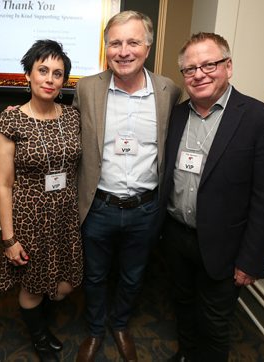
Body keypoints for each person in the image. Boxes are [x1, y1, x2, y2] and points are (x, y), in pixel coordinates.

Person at [160, 32, 264, 362]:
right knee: (183, 307)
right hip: (176, 236)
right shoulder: (175, 116)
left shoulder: (262, 120)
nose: (199, 74)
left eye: (209, 64)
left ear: (228, 67)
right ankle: (186, 354)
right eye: (190, 69)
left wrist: (251, 259)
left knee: (215, 324)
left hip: (225, 247)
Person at [73, 11, 181, 362]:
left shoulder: (169, 91)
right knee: (94, 275)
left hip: (146, 208)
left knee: (134, 276)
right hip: (98, 205)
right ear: (106, 49)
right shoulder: (87, 88)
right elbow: (72, 138)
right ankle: (93, 330)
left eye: (133, 42)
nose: (123, 51)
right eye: (115, 43)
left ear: (147, 47)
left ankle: (119, 324)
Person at [0, 39, 82, 361]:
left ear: (63, 82)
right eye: (42, 70)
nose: (49, 78)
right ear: (28, 76)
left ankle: (43, 327)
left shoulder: (72, 117)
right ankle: (39, 337)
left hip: (65, 216)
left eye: (57, 74)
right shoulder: (12, 120)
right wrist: (8, 238)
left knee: (63, 283)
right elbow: (3, 184)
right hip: (29, 217)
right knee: (32, 285)